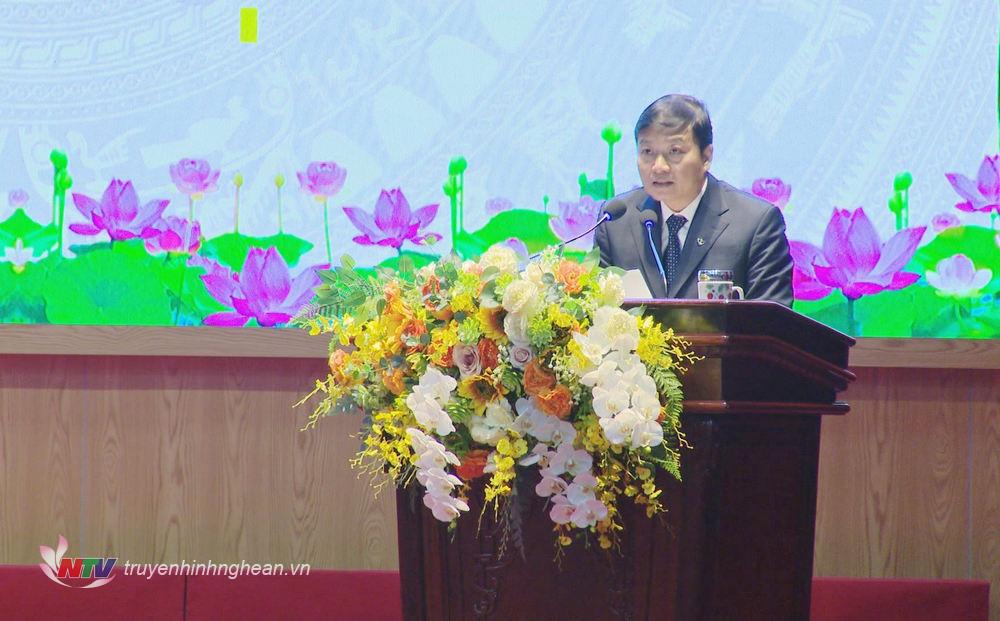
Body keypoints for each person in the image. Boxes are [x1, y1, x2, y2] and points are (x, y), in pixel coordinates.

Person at [594, 94, 793, 306]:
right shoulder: (616, 221)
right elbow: (596, 313)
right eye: (647, 152)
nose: (658, 166)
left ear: (706, 157)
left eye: (674, 151)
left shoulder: (756, 224)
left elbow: (772, 325)